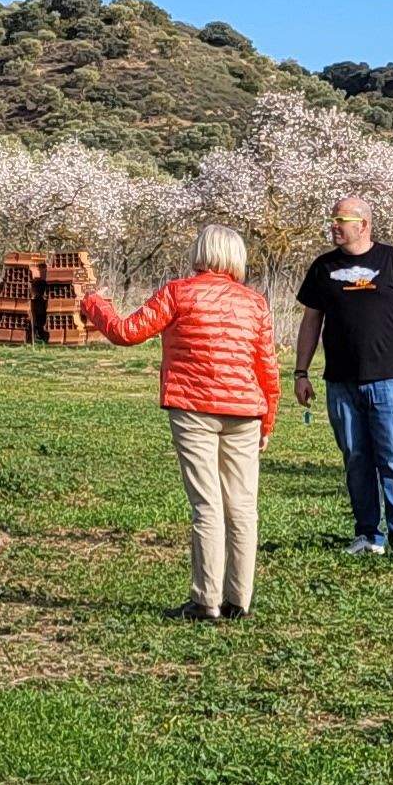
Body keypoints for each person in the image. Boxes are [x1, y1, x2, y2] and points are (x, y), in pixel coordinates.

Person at [78, 224, 282, 620]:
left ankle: (206, 601)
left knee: (207, 505)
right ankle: (238, 599)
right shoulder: (255, 303)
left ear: (201, 252)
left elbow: (127, 332)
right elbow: (268, 369)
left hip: (193, 408)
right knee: (242, 506)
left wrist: (95, 304)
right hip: (244, 411)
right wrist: (267, 421)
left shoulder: (178, 292)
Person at [292, 196, 393, 564]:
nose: (334, 226)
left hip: (388, 381)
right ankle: (368, 534)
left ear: (364, 225)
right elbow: (311, 321)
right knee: (356, 459)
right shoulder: (323, 268)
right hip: (340, 383)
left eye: (342, 219)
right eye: (333, 219)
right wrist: (301, 372)